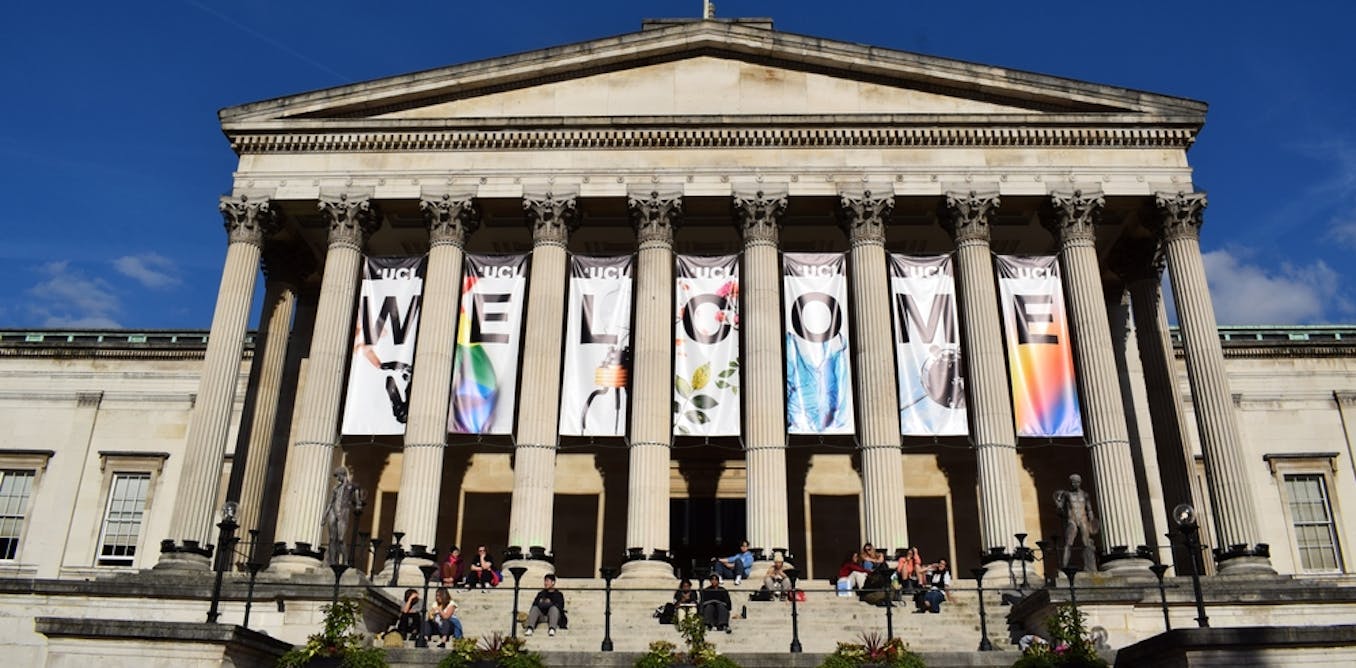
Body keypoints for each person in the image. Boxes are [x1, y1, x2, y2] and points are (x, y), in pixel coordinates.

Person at [1055, 473, 1100, 571]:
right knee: (1068, 543)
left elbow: (1089, 509)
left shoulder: (1085, 494)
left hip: (1083, 519)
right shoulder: (1066, 494)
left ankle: (1090, 567)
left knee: (1086, 542)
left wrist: (1091, 521)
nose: (1075, 484)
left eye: (1077, 482)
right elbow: (1060, 509)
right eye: (1073, 482)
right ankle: (1065, 566)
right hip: (1072, 520)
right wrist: (1058, 506)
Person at [321, 466, 364, 567]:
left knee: (341, 538)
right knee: (332, 538)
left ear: (343, 474)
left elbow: (358, 499)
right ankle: (332, 562)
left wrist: (358, 504)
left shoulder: (352, 486)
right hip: (333, 511)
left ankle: (345, 561)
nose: (337, 479)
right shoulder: (336, 488)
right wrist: (324, 516)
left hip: (344, 511)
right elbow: (330, 502)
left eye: (338, 476)